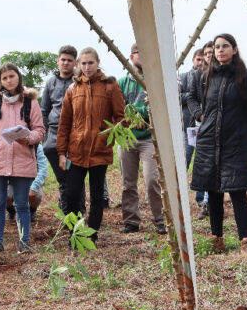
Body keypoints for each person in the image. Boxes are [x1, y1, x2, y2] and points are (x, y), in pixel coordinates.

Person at [189, 35, 247, 252]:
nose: (220, 50)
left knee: (237, 192)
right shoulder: (206, 76)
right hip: (209, 142)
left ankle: (245, 242)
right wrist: (202, 119)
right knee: (213, 192)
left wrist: (243, 137)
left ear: (235, 49)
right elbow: (196, 100)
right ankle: (217, 240)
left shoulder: (246, 77)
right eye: (217, 47)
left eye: (225, 46)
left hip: (234, 142)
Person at [56, 47, 125, 239]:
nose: (87, 67)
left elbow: (121, 117)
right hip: (76, 151)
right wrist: (61, 152)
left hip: (99, 150)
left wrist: (107, 135)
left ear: (98, 62)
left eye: (90, 63)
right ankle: (75, 235)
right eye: (83, 63)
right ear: (79, 64)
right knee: (71, 196)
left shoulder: (110, 86)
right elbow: (64, 123)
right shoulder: (72, 89)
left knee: (97, 197)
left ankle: (92, 236)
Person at [0, 63, 45, 252]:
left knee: (22, 203)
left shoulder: (31, 101)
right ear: (0, 81)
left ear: (18, 77)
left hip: (23, 157)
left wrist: (29, 139)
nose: (9, 80)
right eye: (4, 77)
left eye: (12, 76)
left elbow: (40, 130)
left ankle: (24, 243)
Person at [118, 44, 166, 235]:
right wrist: (129, 119)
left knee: (152, 180)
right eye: (139, 53)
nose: (142, 56)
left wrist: (142, 117)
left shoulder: (155, 80)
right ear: (131, 57)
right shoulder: (122, 83)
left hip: (149, 138)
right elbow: (118, 107)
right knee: (128, 182)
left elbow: (159, 105)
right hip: (127, 138)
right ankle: (131, 220)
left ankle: (162, 219)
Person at [41, 45, 77, 194]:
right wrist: (45, 135)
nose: (66, 63)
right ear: (58, 61)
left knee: (75, 178)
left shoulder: (78, 81)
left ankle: (78, 212)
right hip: (53, 135)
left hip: (74, 133)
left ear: (75, 63)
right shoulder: (50, 83)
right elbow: (44, 110)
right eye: (63, 59)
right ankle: (66, 212)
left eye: (69, 60)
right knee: (62, 178)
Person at [178, 45, 207, 214]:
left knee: (202, 164)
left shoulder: (210, 77)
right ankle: (180, 196)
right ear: (193, 60)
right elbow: (176, 95)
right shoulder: (183, 77)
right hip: (188, 127)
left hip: (205, 127)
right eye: (198, 59)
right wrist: (191, 95)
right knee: (185, 161)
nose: (201, 62)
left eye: (204, 59)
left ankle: (201, 199)